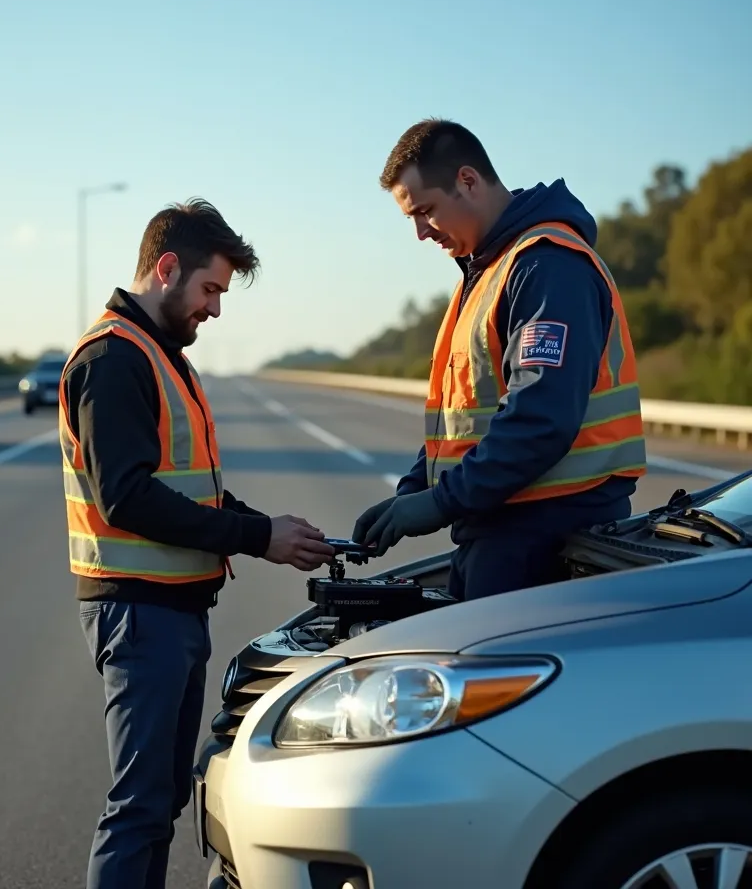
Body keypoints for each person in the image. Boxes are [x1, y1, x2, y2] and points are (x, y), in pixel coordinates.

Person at [58, 197, 336, 889]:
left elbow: (192, 494)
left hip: (172, 611)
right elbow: (128, 497)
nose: (215, 309)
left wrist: (273, 531)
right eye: (210, 289)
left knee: (159, 803)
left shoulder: (160, 356)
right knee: (139, 807)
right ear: (167, 268)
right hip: (139, 613)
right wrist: (254, 536)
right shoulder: (115, 359)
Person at [352, 119, 647, 601]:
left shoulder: (546, 265)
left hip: (547, 542)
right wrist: (413, 491)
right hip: (500, 530)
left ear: (467, 181)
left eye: (425, 212)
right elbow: (470, 420)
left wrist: (441, 501)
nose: (421, 233)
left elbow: (540, 418)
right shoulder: (490, 269)